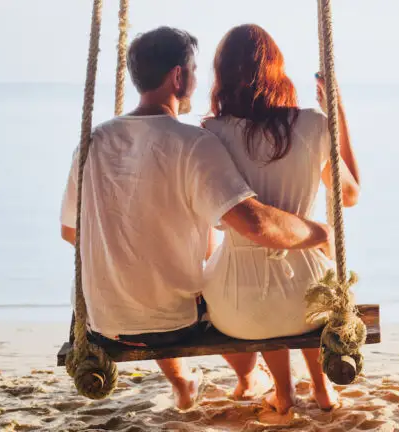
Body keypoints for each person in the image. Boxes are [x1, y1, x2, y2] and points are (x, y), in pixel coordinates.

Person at [58, 26, 334, 411]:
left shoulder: (94, 141)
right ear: (178, 76)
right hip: (174, 325)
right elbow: (256, 224)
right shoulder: (193, 143)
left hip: (103, 322)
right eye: (192, 69)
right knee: (206, 290)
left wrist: (131, 257)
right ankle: (248, 377)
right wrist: (317, 231)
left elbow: (70, 231)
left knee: (165, 279)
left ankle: (187, 383)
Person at [201, 24, 361, 414]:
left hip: (238, 309)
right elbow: (350, 195)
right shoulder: (312, 125)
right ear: (277, 69)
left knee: (263, 294)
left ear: (221, 74)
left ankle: (284, 394)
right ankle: (322, 392)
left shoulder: (211, 133)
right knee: (307, 292)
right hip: (308, 297)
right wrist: (337, 115)